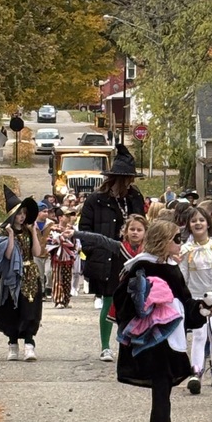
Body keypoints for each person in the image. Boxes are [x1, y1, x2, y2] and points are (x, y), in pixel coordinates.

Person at [113, 219, 212, 422]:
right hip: (149, 332)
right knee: (162, 374)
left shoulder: (172, 268)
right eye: (176, 239)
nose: (180, 243)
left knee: (164, 376)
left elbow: (184, 299)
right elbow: (121, 298)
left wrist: (200, 309)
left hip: (171, 330)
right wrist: (143, 303)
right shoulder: (140, 265)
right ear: (163, 241)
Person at [79, 144, 145, 353]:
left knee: (135, 301)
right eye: (127, 179)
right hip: (108, 257)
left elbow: (144, 224)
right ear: (116, 178)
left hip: (132, 256)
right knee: (109, 300)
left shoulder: (134, 197)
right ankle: (106, 346)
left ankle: (131, 343)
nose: (130, 183)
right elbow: (85, 230)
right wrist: (95, 253)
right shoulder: (96, 200)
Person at [0, 190, 43, 361]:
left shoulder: (29, 232)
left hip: (30, 275)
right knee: (12, 310)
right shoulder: (3, 234)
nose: (22, 217)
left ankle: (29, 345)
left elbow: (37, 252)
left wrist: (35, 232)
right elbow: (8, 255)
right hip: (12, 276)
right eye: (19, 214)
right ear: (12, 215)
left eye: (24, 214)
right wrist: (12, 236)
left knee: (30, 310)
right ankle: (13, 344)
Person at [75, 214, 148, 361]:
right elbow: (99, 239)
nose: (135, 232)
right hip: (117, 285)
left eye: (139, 230)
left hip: (140, 291)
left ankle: (135, 348)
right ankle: (105, 347)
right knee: (109, 309)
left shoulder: (148, 251)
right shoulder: (119, 247)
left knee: (137, 319)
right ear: (125, 231)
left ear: (146, 232)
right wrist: (75, 233)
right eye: (132, 229)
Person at [179, 206, 212, 392]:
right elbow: (182, 276)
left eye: (201, 220)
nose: (198, 223)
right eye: (193, 221)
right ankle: (196, 372)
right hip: (196, 298)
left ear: (208, 224)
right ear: (188, 225)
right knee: (199, 334)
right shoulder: (185, 250)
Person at [46, 214, 80, 309]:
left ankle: (65, 300)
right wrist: (61, 240)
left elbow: (74, 243)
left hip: (68, 258)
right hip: (57, 258)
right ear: (60, 217)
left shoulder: (71, 230)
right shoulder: (54, 229)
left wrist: (71, 248)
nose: (69, 218)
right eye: (66, 215)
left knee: (67, 279)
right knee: (57, 278)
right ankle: (58, 300)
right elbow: (50, 241)